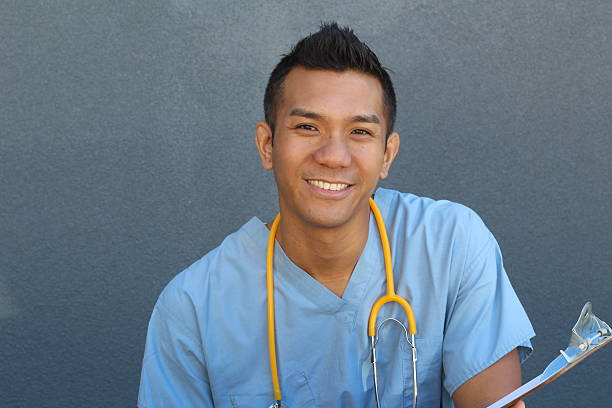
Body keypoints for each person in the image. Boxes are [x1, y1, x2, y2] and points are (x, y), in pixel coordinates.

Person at [138, 22, 535, 407]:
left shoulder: (449, 245)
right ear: (266, 145)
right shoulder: (192, 309)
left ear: (387, 155)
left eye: (360, 132)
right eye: (308, 127)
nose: (333, 156)